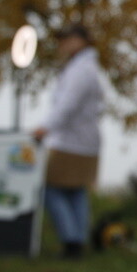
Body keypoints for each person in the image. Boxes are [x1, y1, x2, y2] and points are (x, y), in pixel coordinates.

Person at [33, 24, 104, 259]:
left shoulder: (81, 70)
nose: (62, 44)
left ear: (81, 40)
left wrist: (45, 128)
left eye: (67, 39)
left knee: (51, 188)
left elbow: (67, 105)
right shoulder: (85, 67)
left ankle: (71, 240)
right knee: (75, 191)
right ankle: (78, 240)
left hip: (70, 141)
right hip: (84, 140)